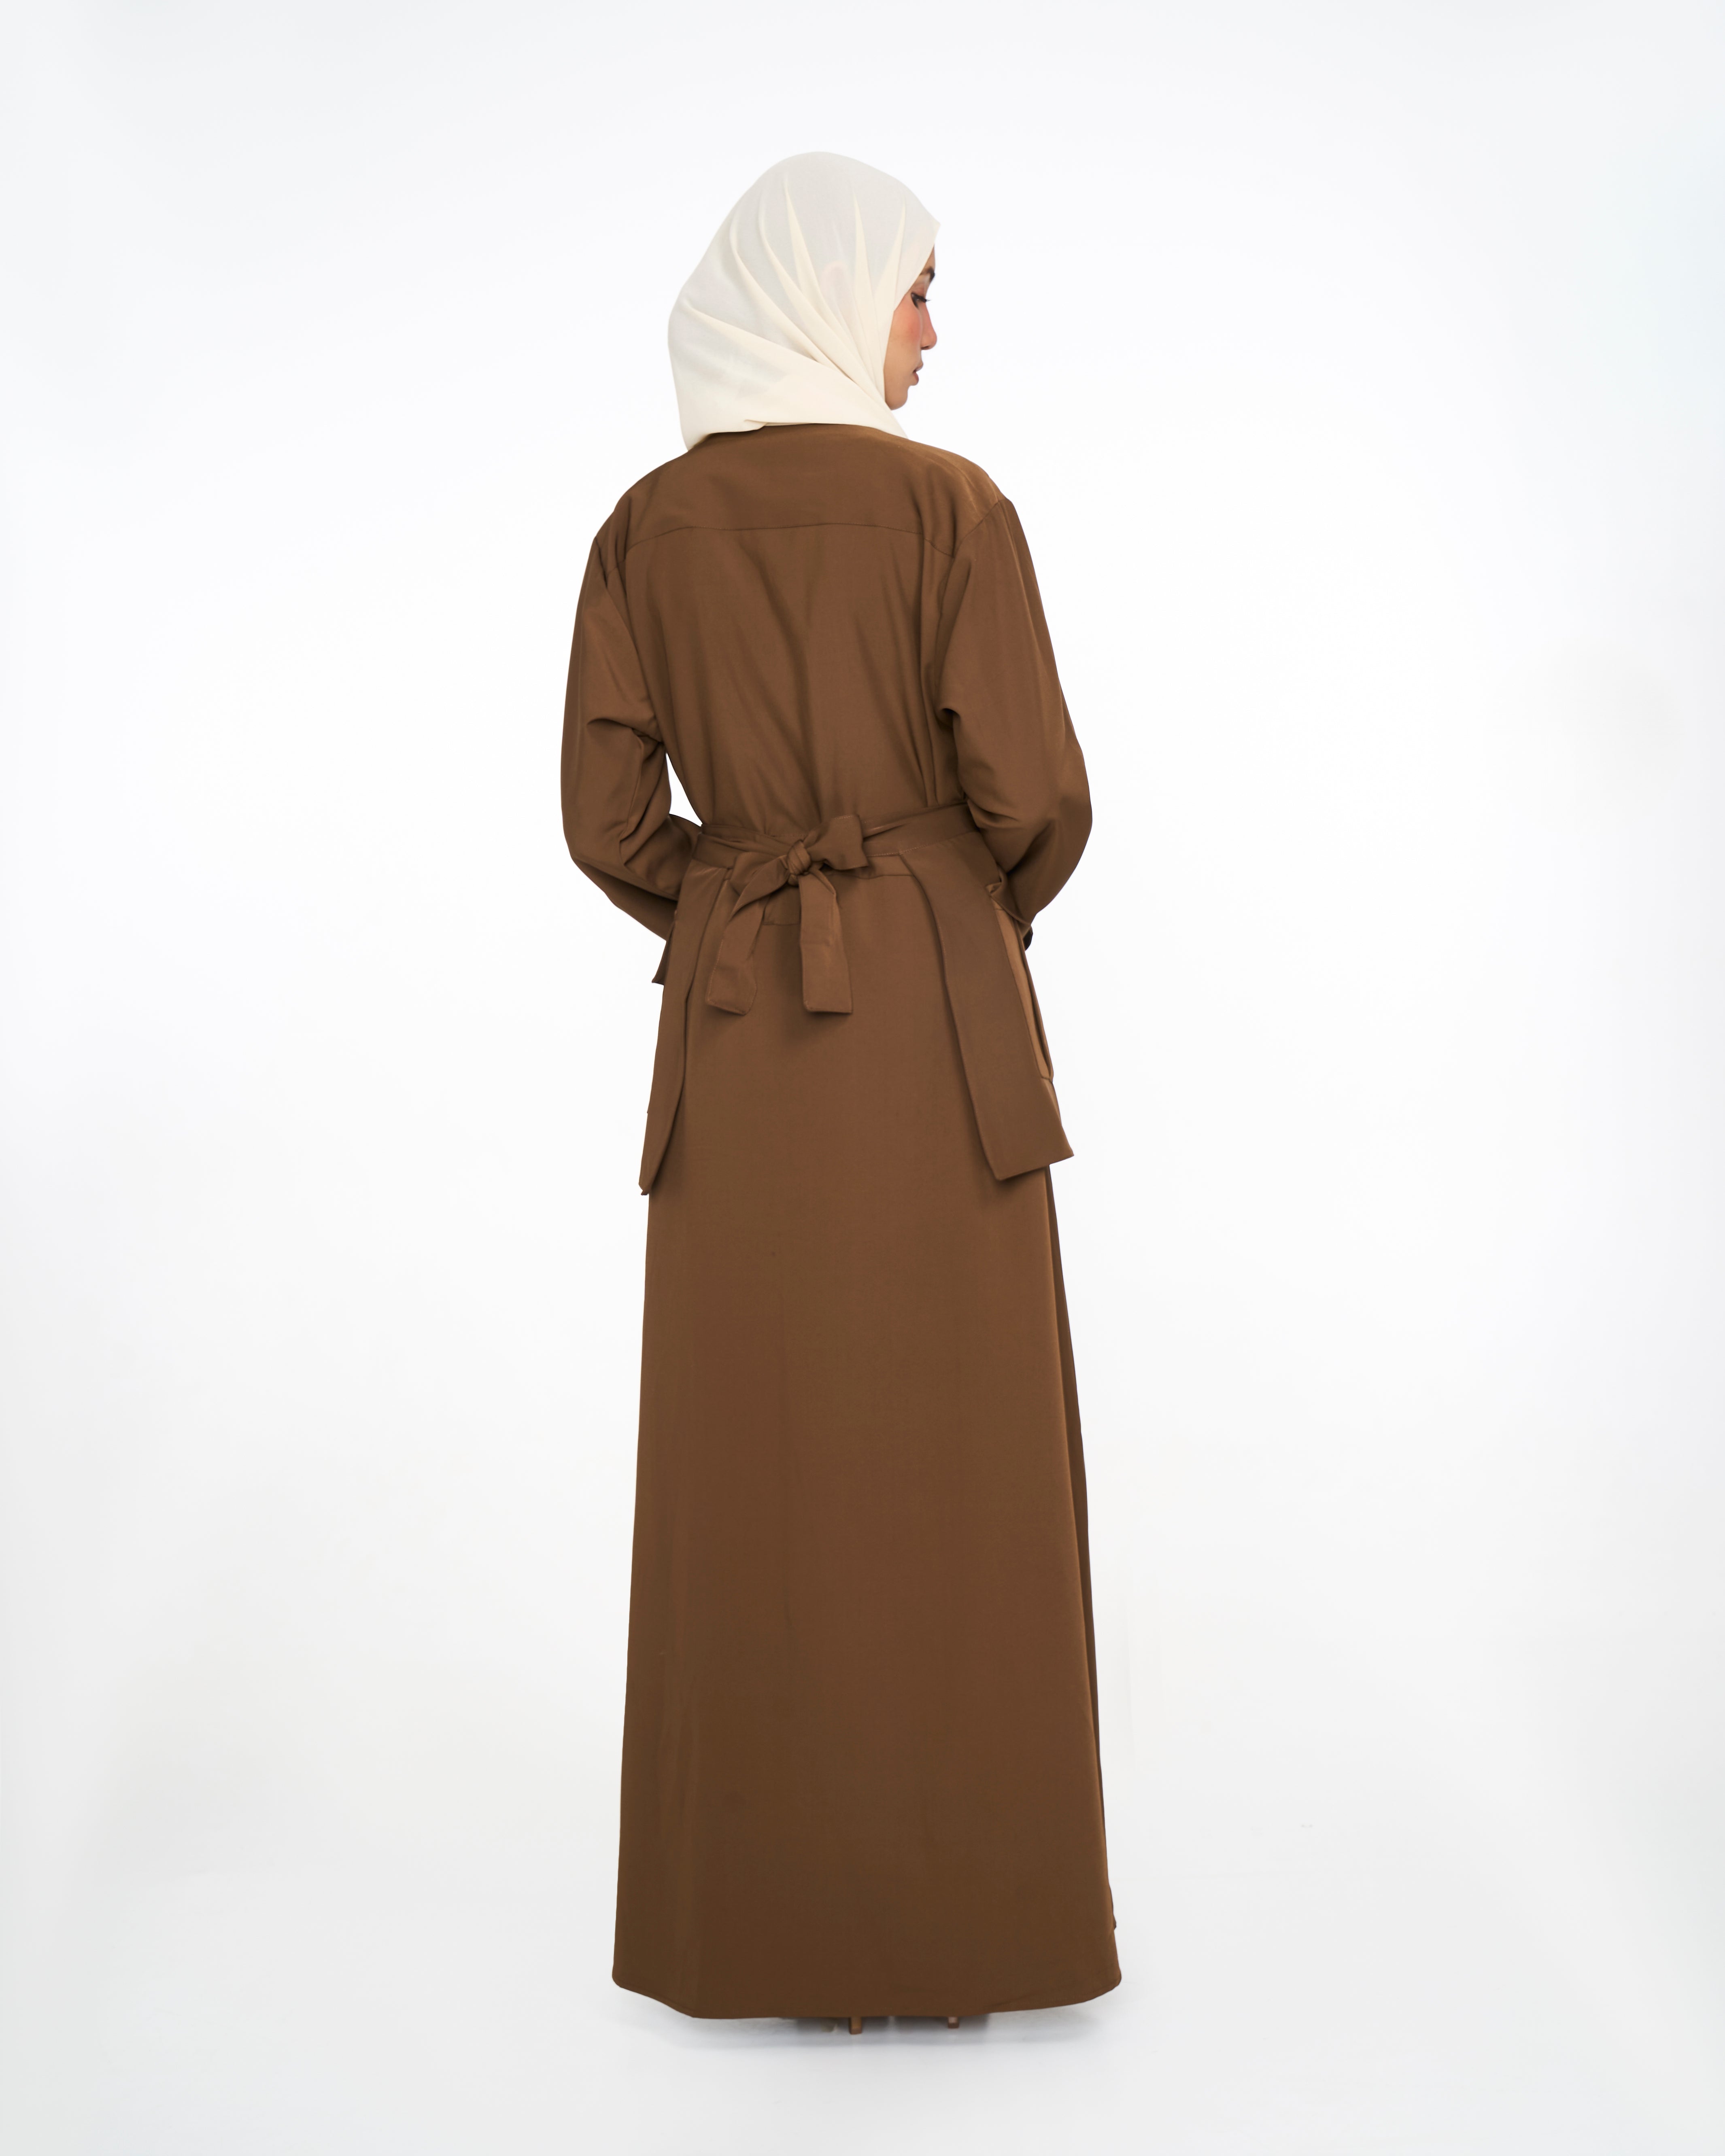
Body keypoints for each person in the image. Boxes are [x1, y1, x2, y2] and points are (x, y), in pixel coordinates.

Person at [561, 152, 1117, 2030]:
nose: (933, 334)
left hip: (739, 1040)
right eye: (917, 289)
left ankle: (758, 1929)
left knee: (759, 1468)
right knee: (959, 1472)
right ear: (834, 289)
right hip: (939, 1036)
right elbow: (1039, 800)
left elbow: (604, 821)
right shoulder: (950, 510)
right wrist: (942, 911)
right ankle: (974, 1928)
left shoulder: (646, 531)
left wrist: (733, 898)